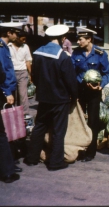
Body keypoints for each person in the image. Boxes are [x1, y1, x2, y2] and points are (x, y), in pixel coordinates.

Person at [23, 25, 78, 171]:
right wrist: (74, 96)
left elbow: (34, 75)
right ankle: (55, 162)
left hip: (43, 97)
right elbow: (70, 80)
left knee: (40, 127)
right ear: (63, 38)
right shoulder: (62, 56)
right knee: (59, 130)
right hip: (60, 98)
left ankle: (31, 158)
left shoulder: (38, 53)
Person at [71, 27, 109, 162]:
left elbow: (106, 73)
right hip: (80, 90)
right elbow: (72, 72)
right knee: (80, 120)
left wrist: (101, 85)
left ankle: (91, 151)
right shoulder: (76, 53)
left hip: (94, 92)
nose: (78, 41)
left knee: (93, 121)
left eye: (81, 39)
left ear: (89, 39)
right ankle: (80, 148)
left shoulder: (100, 54)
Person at [0, 22, 21, 183]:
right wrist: (7, 92)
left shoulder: (5, 46)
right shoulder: (1, 47)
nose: (17, 35)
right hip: (3, 92)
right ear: (8, 33)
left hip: (7, 90)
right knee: (3, 132)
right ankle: (8, 169)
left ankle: (11, 161)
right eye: (15, 32)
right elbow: (2, 73)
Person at [8, 31, 32, 120]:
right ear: (17, 38)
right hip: (11, 72)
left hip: (22, 72)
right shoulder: (8, 46)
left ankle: (25, 114)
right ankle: (12, 113)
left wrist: (30, 74)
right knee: (12, 94)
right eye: (23, 39)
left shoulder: (25, 47)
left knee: (23, 94)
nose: (24, 41)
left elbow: (28, 61)